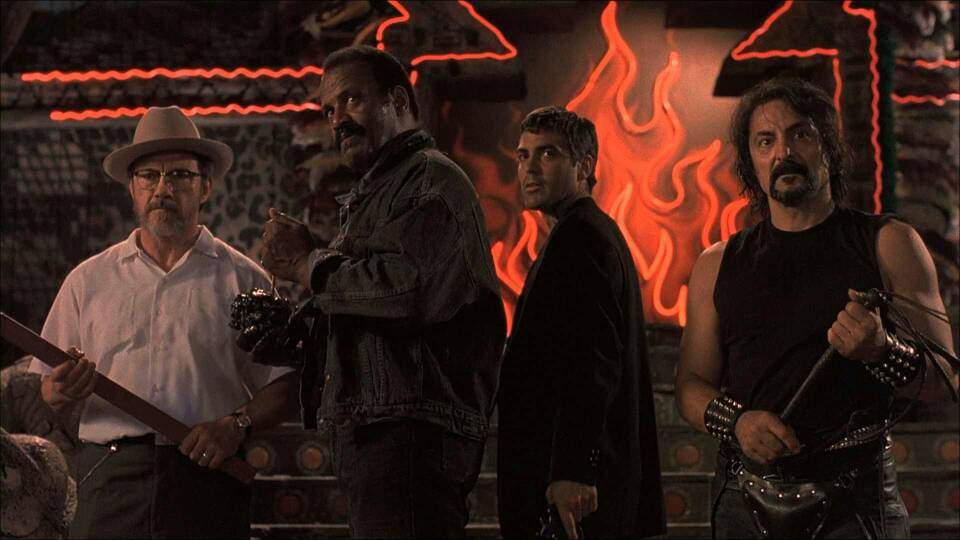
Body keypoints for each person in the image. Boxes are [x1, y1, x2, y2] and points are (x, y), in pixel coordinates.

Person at [675, 77, 959, 539]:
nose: (783, 152)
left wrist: (882, 351)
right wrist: (737, 422)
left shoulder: (890, 243)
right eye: (765, 141)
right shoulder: (716, 263)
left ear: (829, 146)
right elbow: (689, 386)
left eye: (800, 134)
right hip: (743, 499)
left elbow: (945, 379)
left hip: (856, 503)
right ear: (750, 161)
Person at [259, 45, 506, 538]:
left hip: (410, 437)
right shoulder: (385, 189)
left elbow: (401, 288)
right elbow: (370, 307)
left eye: (351, 100)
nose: (338, 121)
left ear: (398, 101)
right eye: (329, 110)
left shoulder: (430, 181)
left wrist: (308, 265)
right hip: (386, 433)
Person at [28, 106, 300, 539]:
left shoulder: (244, 279)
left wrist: (235, 426)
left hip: (206, 478)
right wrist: (59, 392)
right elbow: (46, 389)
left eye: (179, 176)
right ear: (132, 189)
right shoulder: (87, 281)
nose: (162, 188)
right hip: (110, 477)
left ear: (205, 187)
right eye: (149, 176)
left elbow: (286, 384)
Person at [496, 106, 666, 539]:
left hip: (573, 494)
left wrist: (573, 469)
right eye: (523, 155)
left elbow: (592, 362)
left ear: (584, 167)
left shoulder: (581, 237)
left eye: (548, 153)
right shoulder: (584, 232)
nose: (530, 168)